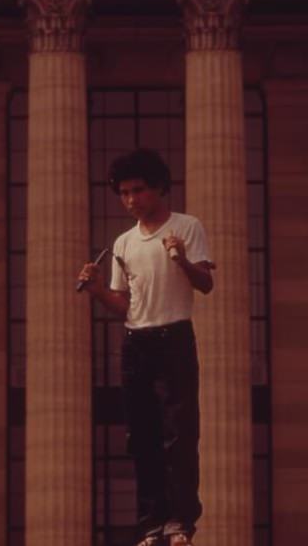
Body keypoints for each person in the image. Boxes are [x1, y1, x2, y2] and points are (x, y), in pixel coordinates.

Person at [77, 148, 214, 546]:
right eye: (124, 193)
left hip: (175, 337)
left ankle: (180, 522)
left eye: (139, 190)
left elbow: (205, 284)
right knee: (142, 436)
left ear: (158, 189)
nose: (132, 200)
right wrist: (98, 289)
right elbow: (125, 306)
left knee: (180, 432)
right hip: (138, 340)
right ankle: (151, 524)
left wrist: (183, 261)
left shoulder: (186, 227)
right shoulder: (123, 242)